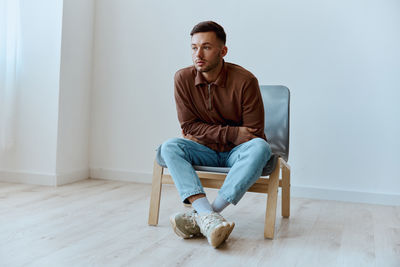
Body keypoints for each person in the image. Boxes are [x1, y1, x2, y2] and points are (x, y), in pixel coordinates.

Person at [159, 21, 272, 248]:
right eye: (193, 47)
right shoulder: (182, 78)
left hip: (237, 153)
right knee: (170, 147)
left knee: (261, 148)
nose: (198, 54)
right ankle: (208, 217)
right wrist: (232, 133)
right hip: (205, 151)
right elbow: (189, 127)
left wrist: (207, 133)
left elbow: (253, 133)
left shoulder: (246, 81)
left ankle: (207, 214)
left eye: (206, 47)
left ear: (223, 51)